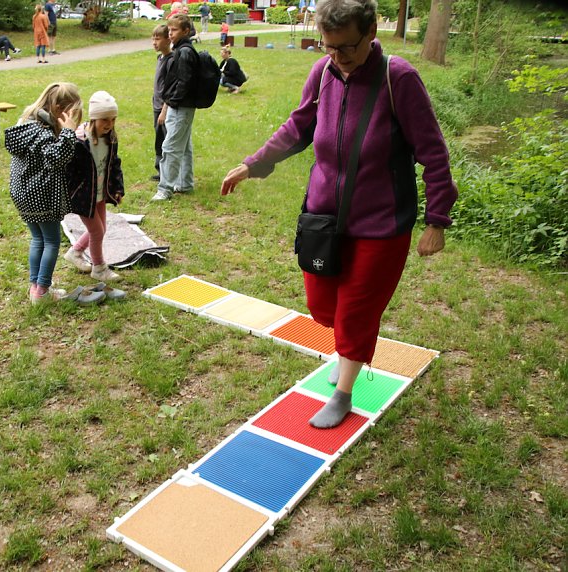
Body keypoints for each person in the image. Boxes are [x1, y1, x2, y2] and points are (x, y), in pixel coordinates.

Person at [220, 0, 457, 429]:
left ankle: (344, 391)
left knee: (355, 312)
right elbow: (299, 126)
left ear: (370, 34)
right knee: (323, 307)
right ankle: (348, 348)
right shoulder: (325, 71)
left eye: (346, 48)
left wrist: (437, 219)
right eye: (328, 48)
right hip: (325, 217)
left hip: (381, 223)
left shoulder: (397, 78)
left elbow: (433, 153)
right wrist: (254, 164)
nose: (337, 58)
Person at [5, 82, 82, 303]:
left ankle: (35, 287)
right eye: (71, 114)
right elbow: (56, 158)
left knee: (38, 238)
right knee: (51, 241)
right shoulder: (43, 132)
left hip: (23, 193)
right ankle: (43, 291)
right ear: (59, 109)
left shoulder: (26, 123)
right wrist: (68, 132)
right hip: (41, 195)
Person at [63, 91, 124, 282]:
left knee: (100, 229)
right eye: (105, 119)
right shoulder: (80, 140)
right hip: (83, 195)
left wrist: (117, 188)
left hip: (100, 194)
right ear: (93, 117)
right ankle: (99, 268)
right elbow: (69, 168)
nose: (109, 124)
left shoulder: (110, 139)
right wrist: (72, 191)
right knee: (97, 231)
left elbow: (114, 164)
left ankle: (75, 252)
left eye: (113, 119)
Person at [152, 13, 198, 201]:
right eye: (169, 30)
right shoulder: (180, 50)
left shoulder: (185, 52)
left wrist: (170, 103)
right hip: (181, 106)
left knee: (170, 147)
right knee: (185, 146)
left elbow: (183, 83)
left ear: (186, 31)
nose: (170, 34)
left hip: (180, 106)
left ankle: (165, 189)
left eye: (174, 30)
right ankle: (185, 183)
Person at [151, 24, 172, 181]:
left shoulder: (171, 60)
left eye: (157, 39)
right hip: (156, 106)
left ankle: (167, 173)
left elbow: (170, 88)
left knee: (166, 140)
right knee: (159, 140)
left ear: (168, 39)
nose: (154, 42)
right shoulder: (160, 58)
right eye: (153, 38)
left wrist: (164, 110)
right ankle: (160, 170)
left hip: (164, 108)